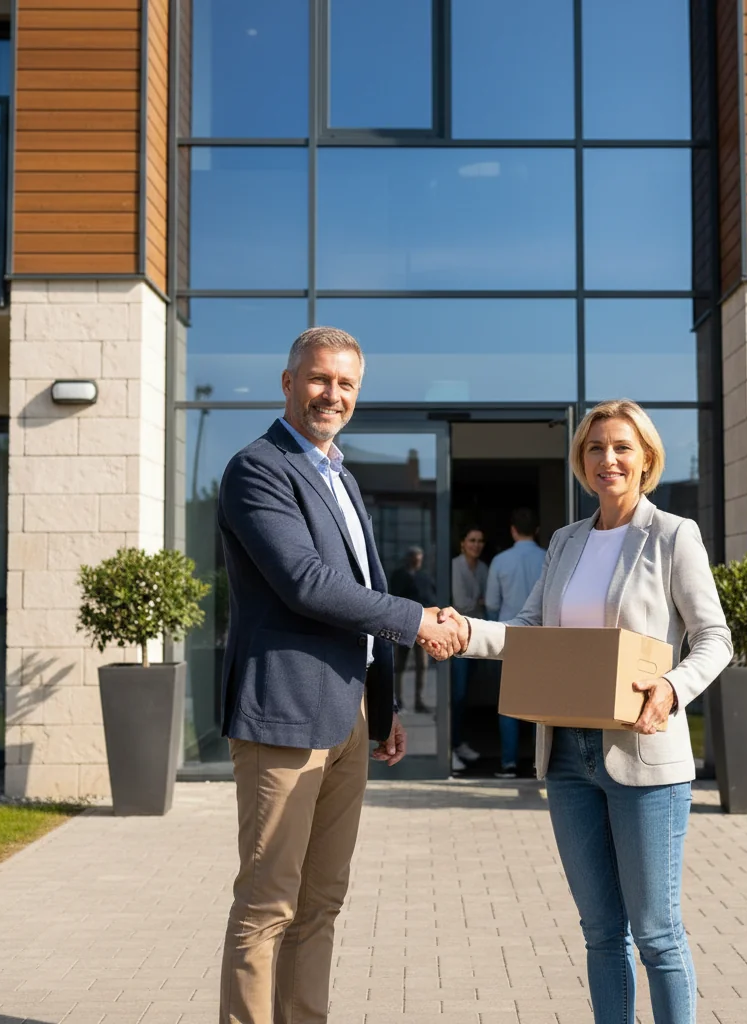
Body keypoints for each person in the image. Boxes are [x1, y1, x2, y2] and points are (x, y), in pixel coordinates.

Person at [440, 399, 733, 1024]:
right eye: (596, 448)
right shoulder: (566, 542)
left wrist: (674, 689)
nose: (609, 459)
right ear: (582, 460)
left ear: (646, 457)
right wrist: (463, 630)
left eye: (622, 447)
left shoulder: (674, 535)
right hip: (569, 757)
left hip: (644, 755)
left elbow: (714, 638)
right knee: (601, 931)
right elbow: (529, 630)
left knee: (656, 932)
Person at [216, 326, 464, 1024]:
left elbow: (357, 594)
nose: (333, 394)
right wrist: (418, 619)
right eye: (320, 379)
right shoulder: (257, 468)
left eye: (346, 384)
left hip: (346, 717)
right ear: (288, 383)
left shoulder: (340, 475)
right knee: (268, 903)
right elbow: (307, 583)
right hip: (285, 715)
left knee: (322, 902)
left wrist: (380, 712)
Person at [485, 507, 546, 777]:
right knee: (540, 705)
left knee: (509, 703)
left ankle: (508, 763)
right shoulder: (548, 558)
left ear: (512, 530)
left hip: (507, 637)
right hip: (544, 639)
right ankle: (539, 763)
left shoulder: (500, 561)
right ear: (537, 530)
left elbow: (491, 604)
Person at [449, 525, 488, 771]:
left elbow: (478, 605)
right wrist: (479, 602)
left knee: (465, 696)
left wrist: (477, 604)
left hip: (474, 639)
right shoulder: (454, 566)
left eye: (480, 540)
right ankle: (449, 747)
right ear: (463, 543)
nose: (476, 544)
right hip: (454, 639)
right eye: (472, 540)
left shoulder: (483, 568)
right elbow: (462, 603)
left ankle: (459, 742)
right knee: (457, 695)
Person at [389, 546, 436, 713]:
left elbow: (431, 597)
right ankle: (398, 699)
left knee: (422, 665)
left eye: (420, 559)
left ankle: (419, 700)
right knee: (399, 665)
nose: (418, 562)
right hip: (404, 624)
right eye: (415, 558)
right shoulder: (399, 575)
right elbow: (394, 597)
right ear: (408, 559)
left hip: (422, 626)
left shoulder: (424, 577)